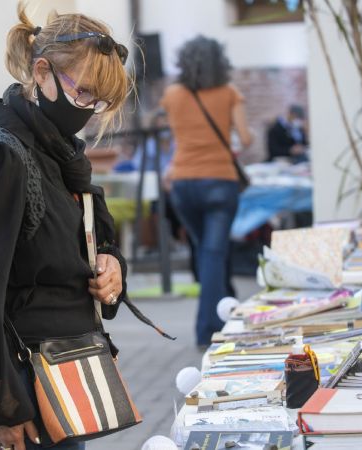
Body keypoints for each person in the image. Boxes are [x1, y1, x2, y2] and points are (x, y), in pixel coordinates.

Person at [0, 8, 166, 450]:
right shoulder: (3, 153)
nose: (90, 110)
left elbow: (89, 240)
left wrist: (113, 267)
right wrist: (0, 406)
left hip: (69, 370)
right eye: (85, 92)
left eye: (99, 101)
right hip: (29, 385)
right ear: (41, 72)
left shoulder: (61, 152)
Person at [161, 36, 253, 347]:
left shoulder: (172, 94)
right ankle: (209, 329)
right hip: (219, 182)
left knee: (207, 253)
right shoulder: (229, 93)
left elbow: (177, 135)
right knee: (213, 254)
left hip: (183, 185)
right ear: (220, 61)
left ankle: (228, 305)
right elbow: (246, 138)